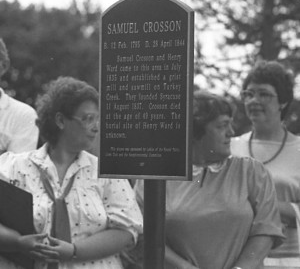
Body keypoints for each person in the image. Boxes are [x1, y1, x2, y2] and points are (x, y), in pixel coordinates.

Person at [0, 76, 143, 269]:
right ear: (60, 120)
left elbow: (126, 230)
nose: (96, 127)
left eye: (98, 119)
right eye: (88, 118)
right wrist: (17, 242)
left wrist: (75, 251)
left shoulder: (107, 173)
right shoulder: (12, 167)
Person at [135, 90, 284, 269]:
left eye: (230, 124)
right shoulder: (157, 176)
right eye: (222, 126)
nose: (231, 132)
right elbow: (144, 235)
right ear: (196, 131)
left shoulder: (251, 171)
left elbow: (266, 230)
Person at [231, 60, 300, 268]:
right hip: (240, 259)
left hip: (290, 260)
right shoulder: (232, 148)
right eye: (249, 94)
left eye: (264, 94)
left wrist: (266, 207)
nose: (254, 100)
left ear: (283, 101)